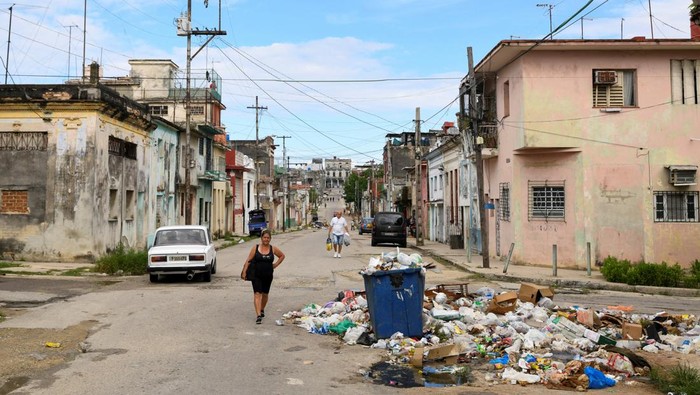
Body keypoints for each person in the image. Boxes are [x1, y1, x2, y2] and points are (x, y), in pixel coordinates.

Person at [241, 229, 285, 324]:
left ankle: (261, 309)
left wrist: (275, 265)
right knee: (257, 294)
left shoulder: (273, 249)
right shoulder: (255, 248)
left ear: (270, 239)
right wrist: (244, 271)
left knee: (265, 294)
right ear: (261, 238)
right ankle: (258, 315)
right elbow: (248, 260)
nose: (266, 239)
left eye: (268, 238)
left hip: (268, 275)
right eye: (264, 237)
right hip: (256, 275)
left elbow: (282, 256)